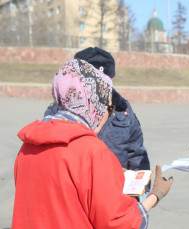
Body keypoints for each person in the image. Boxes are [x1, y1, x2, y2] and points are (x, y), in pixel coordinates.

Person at [12, 58, 173, 229]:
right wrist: (155, 195)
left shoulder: (28, 146)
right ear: (94, 104)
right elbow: (119, 225)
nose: (107, 115)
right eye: (109, 108)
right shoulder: (93, 152)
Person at [44, 47, 151, 194]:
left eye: (103, 82)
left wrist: (142, 192)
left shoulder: (123, 109)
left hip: (115, 195)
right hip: (75, 196)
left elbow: (136, 154)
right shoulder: (59, 112)